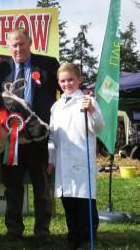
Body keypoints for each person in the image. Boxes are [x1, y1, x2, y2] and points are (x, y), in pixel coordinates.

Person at [0, 27, 60, 245]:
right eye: (14, 45)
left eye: (22, 44)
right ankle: (14, 231)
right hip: (12, 140)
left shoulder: (49, 64)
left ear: (30, 43)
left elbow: (66, 87)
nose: (18, 48)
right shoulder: (0, 69)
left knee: (42, 188)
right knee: (12, 188)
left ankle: (42, 232)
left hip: (39, 138)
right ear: (8, 46)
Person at [47, 63, 104, 250]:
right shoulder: (55, 107)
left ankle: (87, 239)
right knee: (68, 203)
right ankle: (73, 238)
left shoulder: (88, 101)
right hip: (63, 163)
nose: (67, 83)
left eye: (71, 79)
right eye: (63, 81)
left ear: (79, 79)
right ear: (58, 82)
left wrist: (92, 111)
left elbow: (99, 128)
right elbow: (53, 136)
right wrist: (51, 160)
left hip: (81, 161)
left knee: (84, 203)